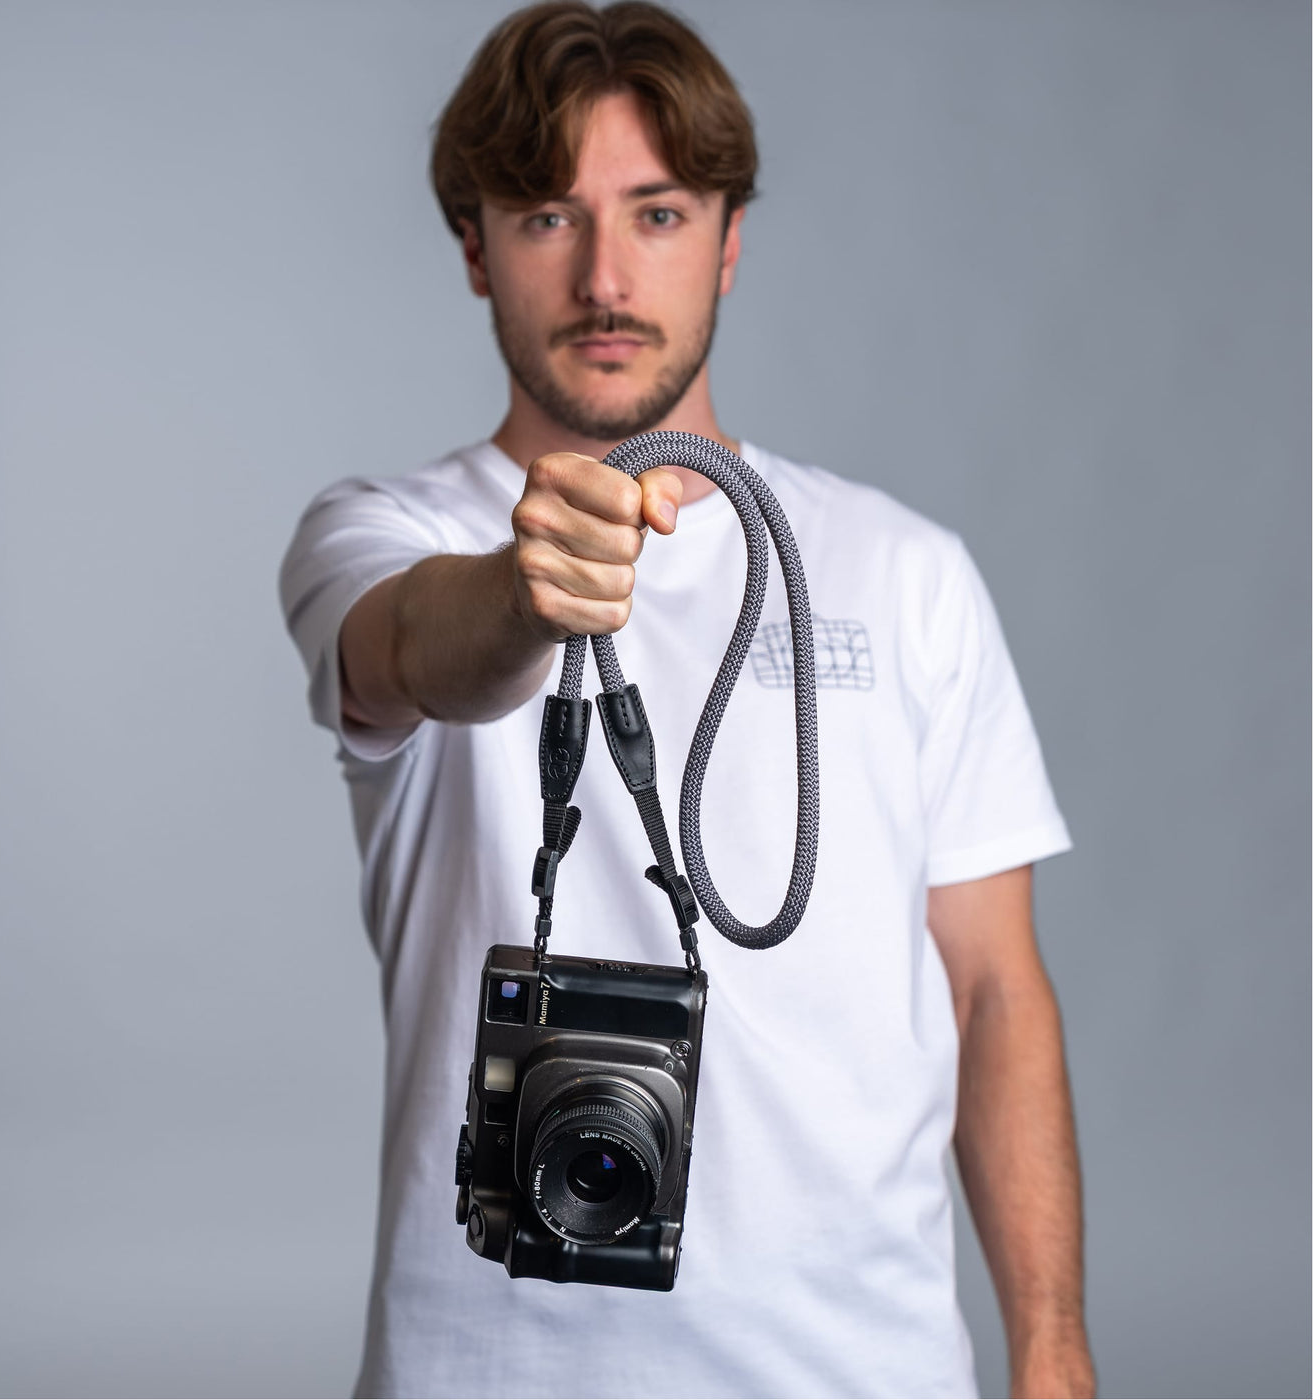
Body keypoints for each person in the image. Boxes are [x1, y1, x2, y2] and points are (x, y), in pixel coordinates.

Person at [279, 3, 1096, 1396]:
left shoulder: (906, 572)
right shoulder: (384, 537)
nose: (604, 276)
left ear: (728, 240)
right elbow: (415, 645)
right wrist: (531, 592)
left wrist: (1054, 1351)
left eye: (656, 214)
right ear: (474, 248)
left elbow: (994, 986)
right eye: (547, 216)